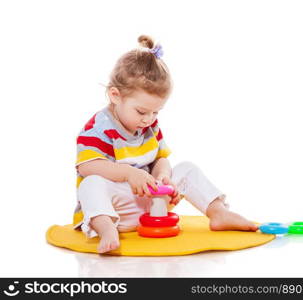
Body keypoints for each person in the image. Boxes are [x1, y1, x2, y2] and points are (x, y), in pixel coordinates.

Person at [73, 35, 258, 253]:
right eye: (141, 111)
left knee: (187, 168)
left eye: (155, 112)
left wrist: (164, 176)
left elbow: (160, 158)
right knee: (90, 183)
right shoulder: (98, 128)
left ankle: (218, 212)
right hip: (116, 207)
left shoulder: (149, 125)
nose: (148, 118)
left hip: (152, 203)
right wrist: (128, 174)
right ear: (115, 95)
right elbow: (87, 166)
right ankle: (106, 229)